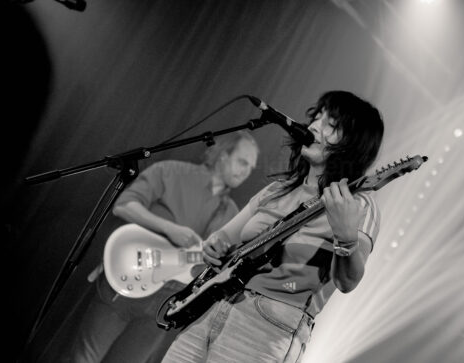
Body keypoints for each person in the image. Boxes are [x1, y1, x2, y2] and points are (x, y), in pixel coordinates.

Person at [161, 90, 384, 363]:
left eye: (331, 125)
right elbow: (223, 238)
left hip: (267, 328)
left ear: (353, 144)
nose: (314, 126)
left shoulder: (358, 204)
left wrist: (346, 236)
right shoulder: (276, 191)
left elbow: (348, 281)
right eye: (317, 117)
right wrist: (214, 245)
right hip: (213, 306)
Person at [65, 130, 259, 363]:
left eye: (251, 168)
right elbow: (124, 206)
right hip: (128, 279)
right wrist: (169, 228)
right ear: (223, 155)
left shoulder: (231, 213)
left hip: (166, 302)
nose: (245, 172)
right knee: (83, 358)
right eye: (242, 162)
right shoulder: (171, 171)